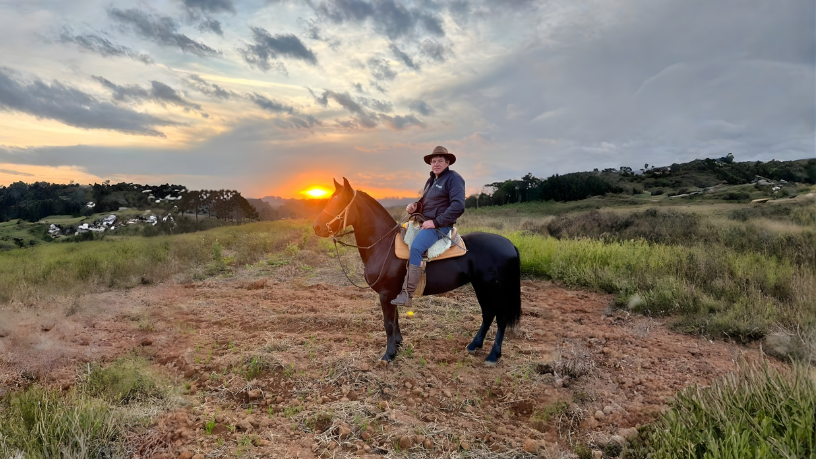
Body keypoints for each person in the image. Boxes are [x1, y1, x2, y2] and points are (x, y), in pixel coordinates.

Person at [391, 146, 465, 307]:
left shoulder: (454, 179)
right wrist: (415, 206)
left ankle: (407, 294)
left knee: (416, 247)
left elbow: (458, 206)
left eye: (440, 161)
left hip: (439, 226)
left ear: (447, 163)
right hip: (425, 222)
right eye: (433, 161)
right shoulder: (431, 180)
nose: (436, 164)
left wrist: (436, 222)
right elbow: (425, 202)